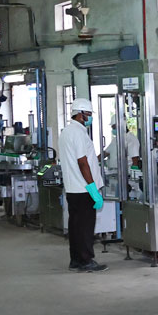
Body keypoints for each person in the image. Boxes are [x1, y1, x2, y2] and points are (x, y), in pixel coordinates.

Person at [58, 98, 107, 273]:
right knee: (85, 227)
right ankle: (86, 260)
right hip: (83, 188)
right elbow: (83, 162)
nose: (90, 118)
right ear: (80, 114)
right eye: (88, 114)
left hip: (72, 188)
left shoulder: (66, 131)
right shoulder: (78, 133)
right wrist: (93, 188)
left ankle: (76, 260)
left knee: (75, 226)